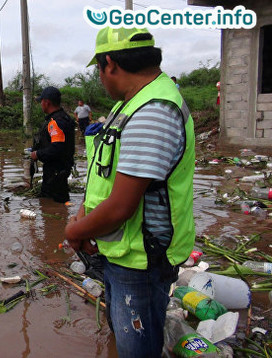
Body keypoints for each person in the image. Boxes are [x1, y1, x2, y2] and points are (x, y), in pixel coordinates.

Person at [64, 27, 195, 358]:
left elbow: (122, 204)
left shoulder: (153, 111)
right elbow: (104, 178)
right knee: (127, 338)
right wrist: (84, 217)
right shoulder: (132, 104)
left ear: (110, 63)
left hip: (140, 258)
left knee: (137, 347)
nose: (100, 78)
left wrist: (73, 230)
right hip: (122, 250)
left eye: (98, 70)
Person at [30, 86, 75, 203]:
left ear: (47, 102)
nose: (41, 104)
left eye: (41, 102)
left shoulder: (55, 122)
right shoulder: (64, 118)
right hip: (61, 170)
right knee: (59, 206)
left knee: (50, 207)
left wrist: (37, 154)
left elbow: (57, 148)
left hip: (55, 173)